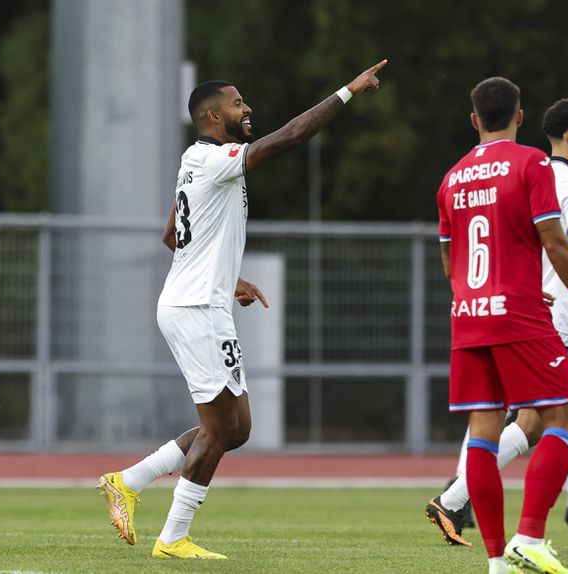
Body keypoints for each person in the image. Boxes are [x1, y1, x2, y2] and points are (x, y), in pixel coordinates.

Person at [97, 59, 388, 559]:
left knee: (237, 428)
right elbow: (294, 135)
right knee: (218, 429)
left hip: (203, 303)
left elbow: (172, 235)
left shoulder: (195, 160)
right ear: (213, 116)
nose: (247, 107)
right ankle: (173, 538)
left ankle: (129, 480)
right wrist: (348, 91)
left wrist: (228, 280)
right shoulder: (215, 159)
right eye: (236, 103)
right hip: (195, 308)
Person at [428, 99, 568, 550]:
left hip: (528, 309)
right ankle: (454, 499)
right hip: (558, 317)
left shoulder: (521, 175)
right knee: (542, 422)